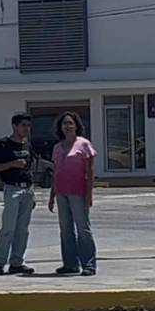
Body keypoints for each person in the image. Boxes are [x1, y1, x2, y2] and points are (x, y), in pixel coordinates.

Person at [48, 111, 97, 276]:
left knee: (83, 228)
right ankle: (70, 264)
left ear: (76, 126)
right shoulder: (57, 147)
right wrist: (52, 196)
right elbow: (56, 172)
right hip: (61, 192)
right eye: (64, 123)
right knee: (65, 229)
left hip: (79, 192)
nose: (67, 126)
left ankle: (89, 264)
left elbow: (89, 172)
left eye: (70, 123)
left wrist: (89, 194)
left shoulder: (84, 144)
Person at [0, 113, 36, 276]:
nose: (26, 129)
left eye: (28, 126)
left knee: (23, 229)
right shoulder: (3, 144)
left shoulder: (27, 144)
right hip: (12, 189)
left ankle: (17, 262)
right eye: (23, 125)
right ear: (14, 126)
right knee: (8, 228)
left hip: (27, 189)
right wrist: (12, 164)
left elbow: (30, 168)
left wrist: (33, 192)